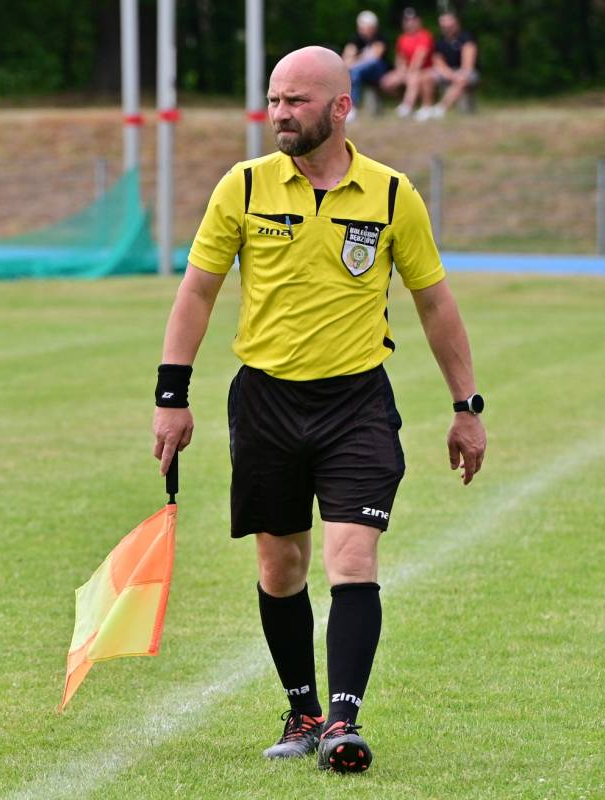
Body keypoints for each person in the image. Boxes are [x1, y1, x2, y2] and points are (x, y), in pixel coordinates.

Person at [151, 46, 486, 773]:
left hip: (356, 403)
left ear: (341, 107)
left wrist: (466, 406)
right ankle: (302, 709)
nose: (279, 113)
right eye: (274, 99)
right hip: (266, 401)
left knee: (353, 557)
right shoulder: (242, 186)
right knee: (281, 566)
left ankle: (342, 721)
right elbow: (198, 291)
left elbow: (434, 303)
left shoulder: (392, 195)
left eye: (295, 100)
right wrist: (172, 396)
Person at [419, 10, 479, 119]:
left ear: (456, 23)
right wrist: (450, 74)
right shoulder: (439, 41)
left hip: (467, 72)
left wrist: (459, 74)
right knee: (426, 76)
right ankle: (426, 108)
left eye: (450, 25)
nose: (447, 28)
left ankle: (440, 109)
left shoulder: (466, 37)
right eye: (444, 26)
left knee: (462, 79)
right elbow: (438, 62)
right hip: (447, 72)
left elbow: (468, 64)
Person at [379, 7, 435, 118]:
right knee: (386, 82)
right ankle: (403, 102)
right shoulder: (402, 38)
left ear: (418, 21)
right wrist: (401, 71)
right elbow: (400, 58)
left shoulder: (425, 36)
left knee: (413, 79)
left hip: (424, 70)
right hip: (408, 70)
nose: (409, 23)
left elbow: (419, 58)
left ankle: (407, 106)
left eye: (412, 20)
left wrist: (408, 72)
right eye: (406, 20)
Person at [341, 10, 390, 122]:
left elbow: (375, 56)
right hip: (361, 70)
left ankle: (352, 107)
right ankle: (347, 105)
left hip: (378, 71)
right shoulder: (356, 39)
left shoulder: (380, 38)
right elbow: (347, 57)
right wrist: (353, 60)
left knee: (356, 70)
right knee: (349, 71)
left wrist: (355, 60)